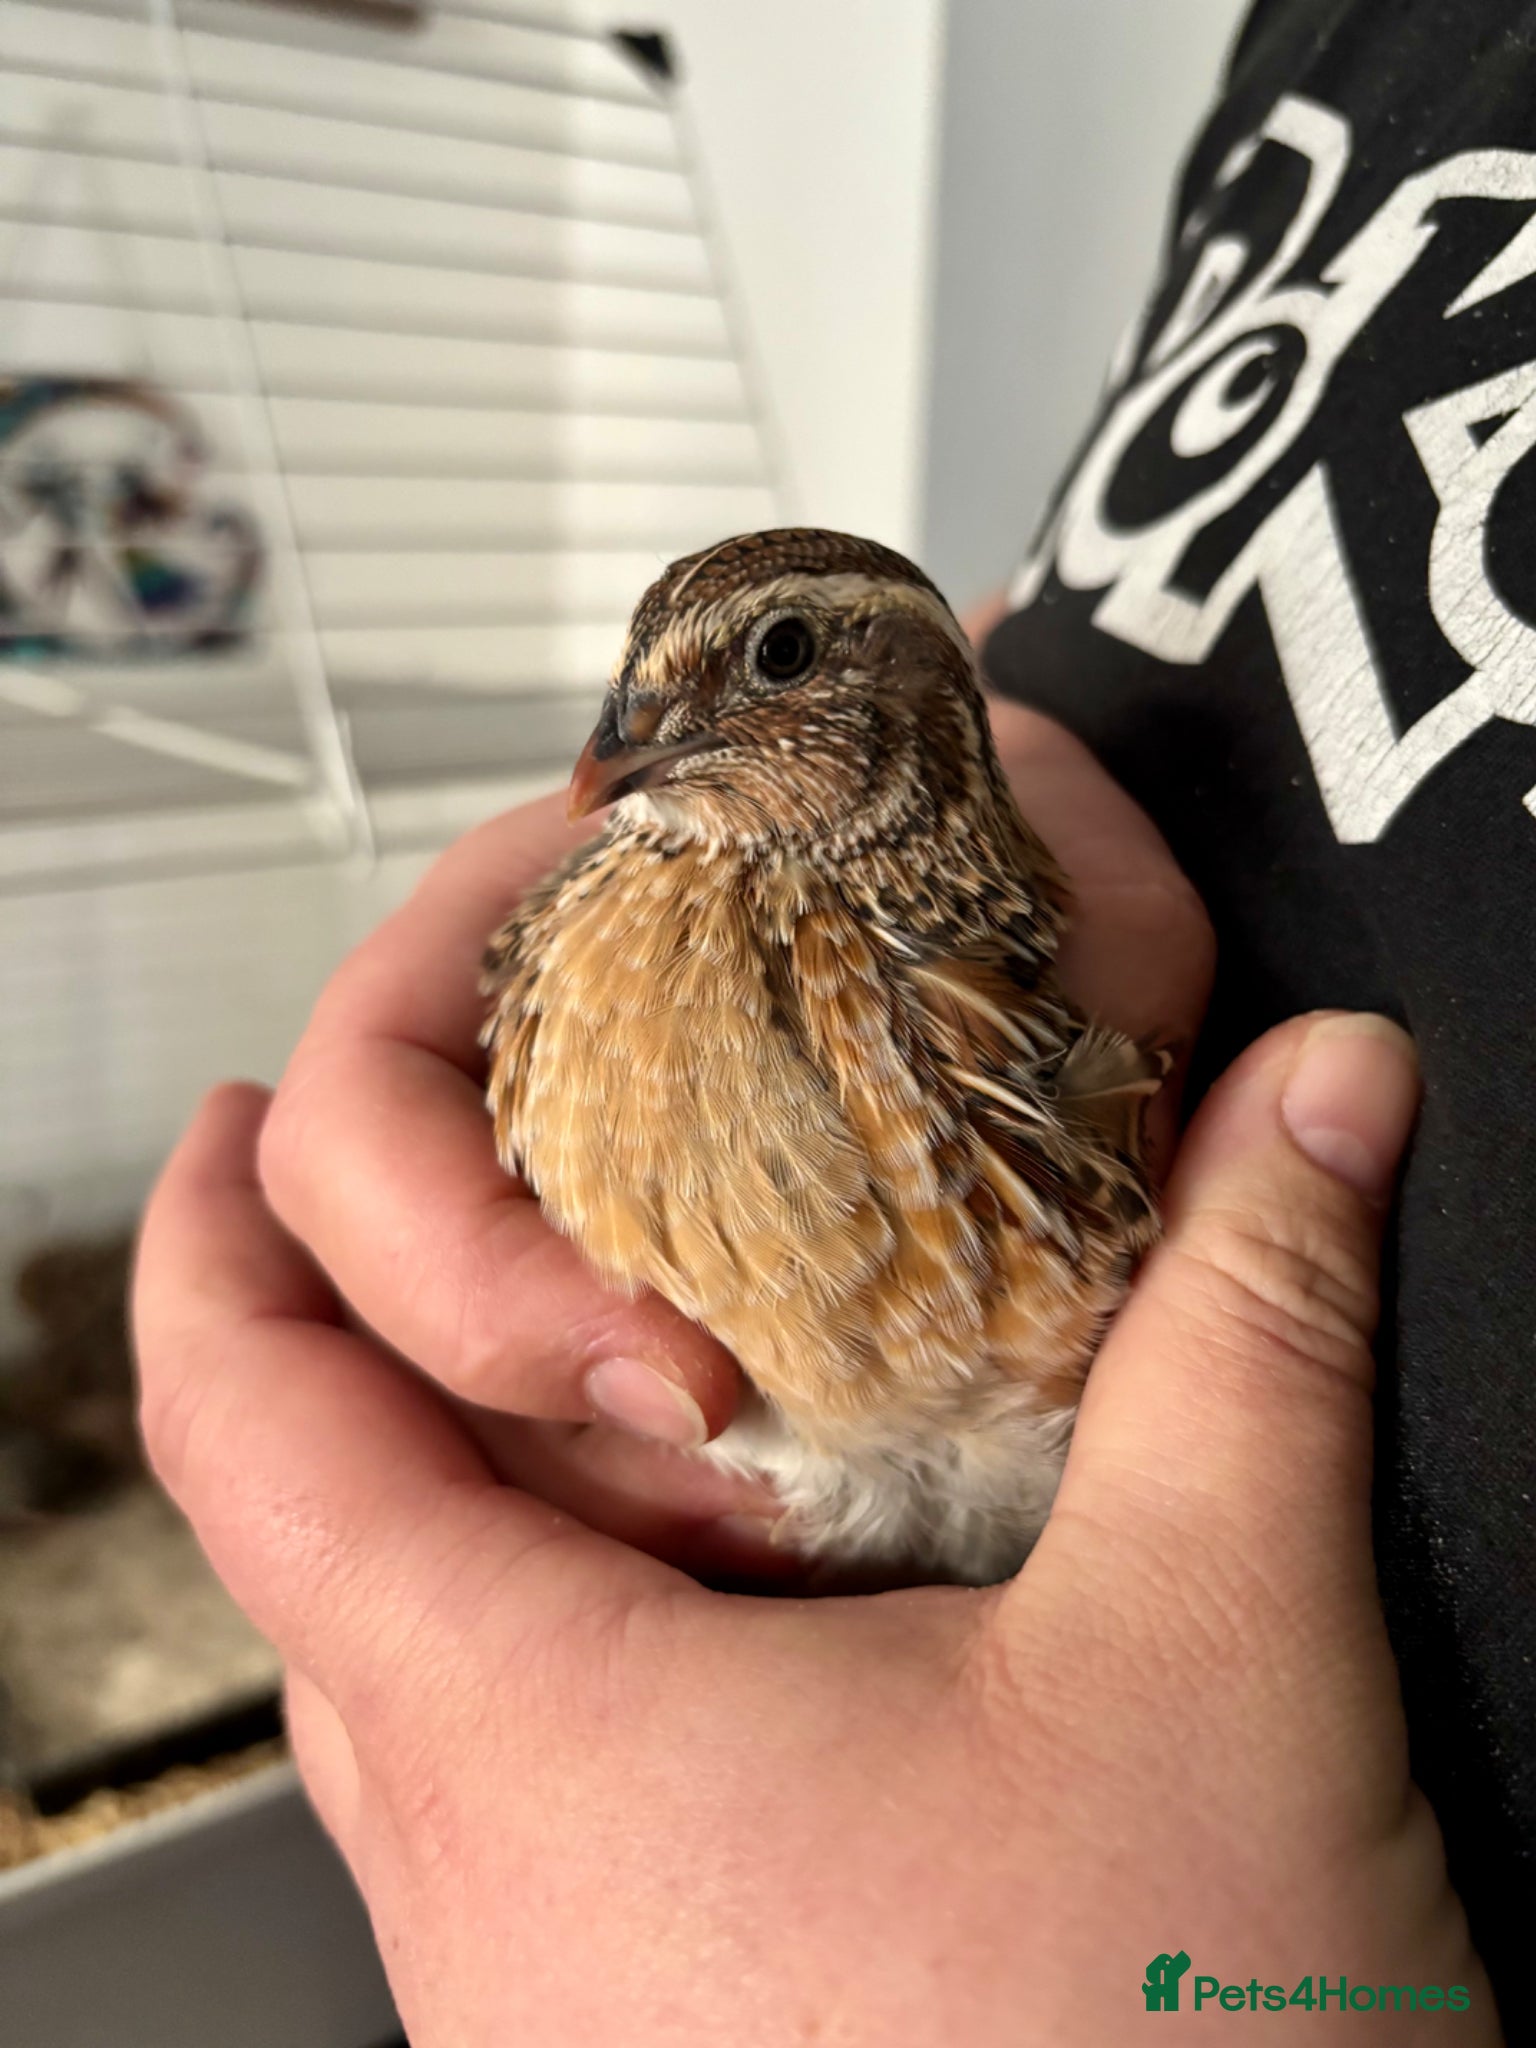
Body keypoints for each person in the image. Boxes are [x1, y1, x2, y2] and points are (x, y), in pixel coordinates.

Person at [133, 0, 1531, 2037]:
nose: (630, 740)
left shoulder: (959, 1026)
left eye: (766, 664)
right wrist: (1048, 703)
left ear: (861, 710)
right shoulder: (1353, 35)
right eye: (655, 686)